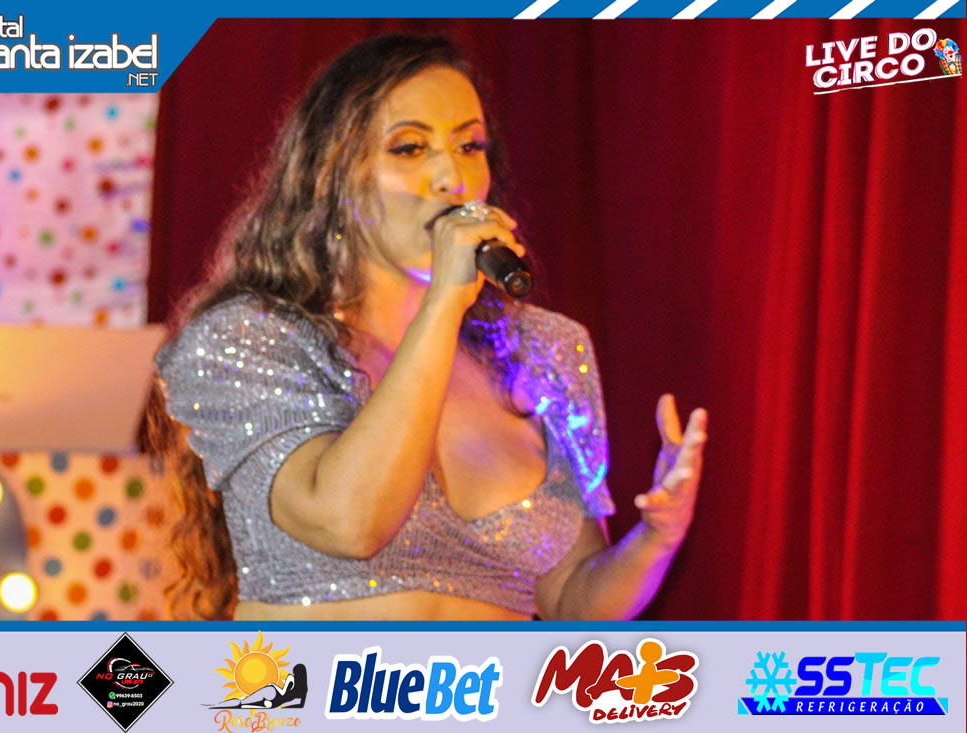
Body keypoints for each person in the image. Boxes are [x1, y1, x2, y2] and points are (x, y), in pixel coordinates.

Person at [150, 34, 708, 621]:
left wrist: (656, 538)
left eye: (469, 145)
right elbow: (350, 523)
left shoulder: (544, 352)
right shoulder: (249, 339)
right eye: (410, 148)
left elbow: (571, 603)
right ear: (330, 176)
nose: (452, 177)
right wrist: (443, 304)